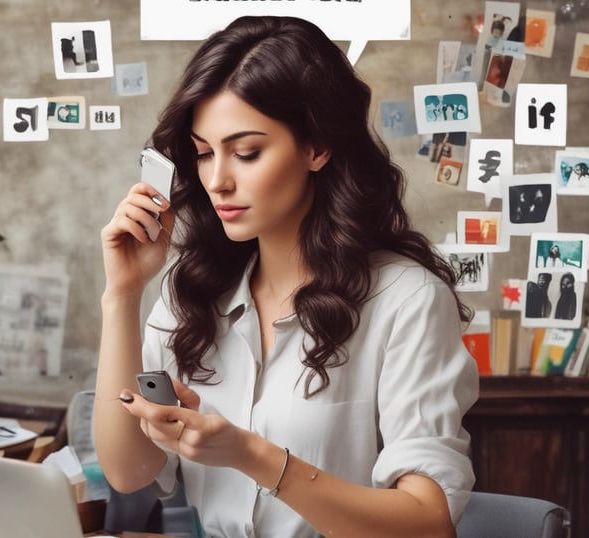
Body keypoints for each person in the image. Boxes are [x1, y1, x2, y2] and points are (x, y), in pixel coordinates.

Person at [95, 16, 478, 538]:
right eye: (204, 154)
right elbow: (128, 471)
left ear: (316, 147)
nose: (217, 180)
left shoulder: (406, 300)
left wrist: (253, 455)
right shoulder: (192, 295)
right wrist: (121, 295)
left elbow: (429, 524)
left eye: (247, 152)